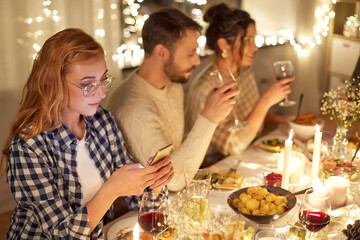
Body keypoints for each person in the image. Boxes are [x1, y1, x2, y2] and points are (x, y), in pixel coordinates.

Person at [1, 28, 174, 239]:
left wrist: (154, 180)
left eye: (103, 80)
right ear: (53, 82)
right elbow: (62, 235)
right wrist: (111, 190)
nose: (101, 93)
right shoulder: (29, 146)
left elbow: (138, 200)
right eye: (88, 85)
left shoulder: (102, 121)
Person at [108, 8, 239, 192]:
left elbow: (177, 151)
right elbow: (174, 182)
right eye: (190, 53)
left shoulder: (173, 85)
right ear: (161, 52)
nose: (197, 61)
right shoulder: (135, 109)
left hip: (179, 195)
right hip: (146, 210)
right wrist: (209, 119)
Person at [186, 3, 293, 164]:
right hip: (213, 168)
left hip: (248, 153)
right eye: (248, 40)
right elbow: (233, 146)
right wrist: (266, 101)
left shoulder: (244, 71)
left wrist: (280, 120)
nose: (255, 47)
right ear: (223, 45)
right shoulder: (206, 90)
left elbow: (248, 118)